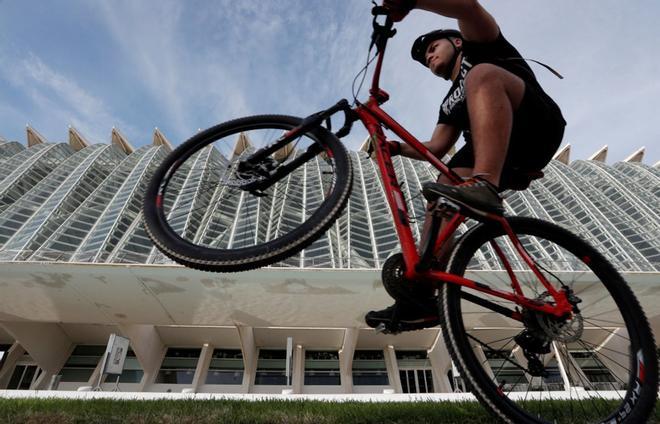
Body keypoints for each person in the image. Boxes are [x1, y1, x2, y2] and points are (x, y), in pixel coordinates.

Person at [365, 0, 566, 332]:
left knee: (483, 75)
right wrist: (395, 147)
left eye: (432, 48)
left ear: (456, 42)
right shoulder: (448, 103)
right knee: (442, 194)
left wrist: (413, 1)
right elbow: (437, 147)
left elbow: (468, 8)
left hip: (534, 123)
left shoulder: (481, 45)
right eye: (424, 58)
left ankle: (485, 184)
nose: (428, 57)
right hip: (499, 153)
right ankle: (422, 297)